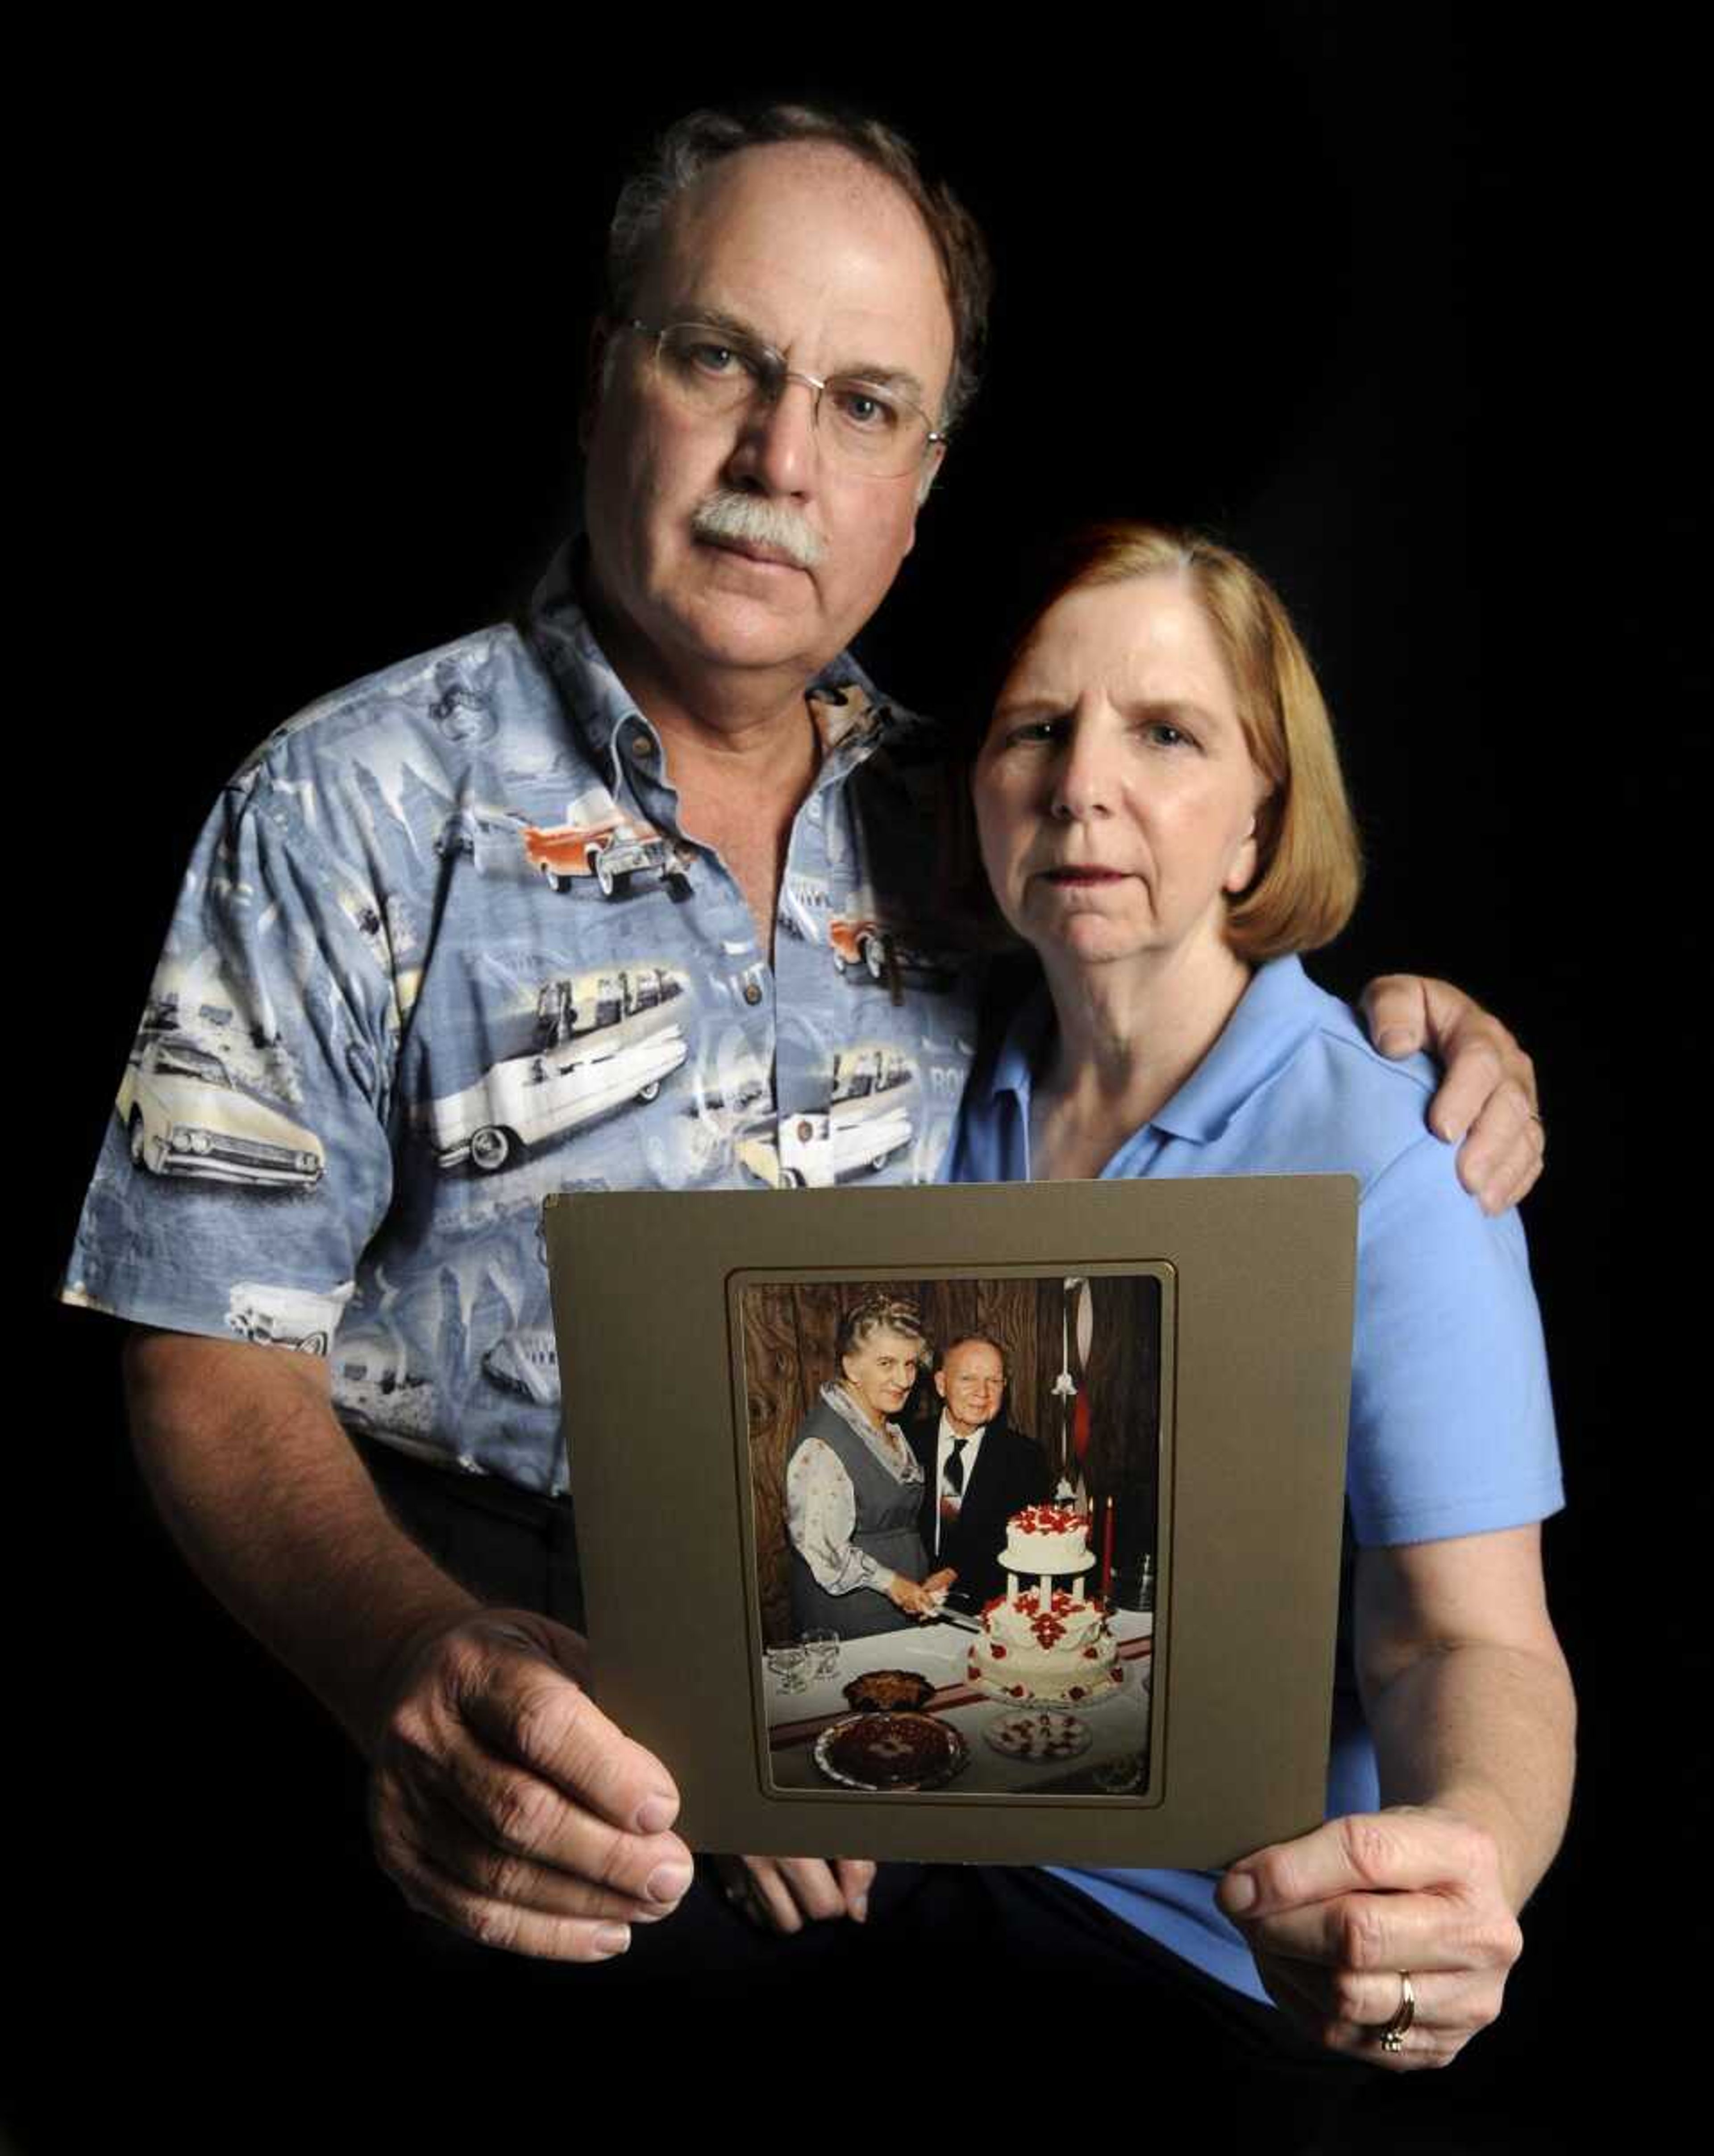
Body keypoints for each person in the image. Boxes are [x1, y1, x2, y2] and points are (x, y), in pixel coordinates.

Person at [62, 104, 1548, 1972]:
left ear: (919, 487)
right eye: (720, 359)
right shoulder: (345, 803)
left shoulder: (979, 818)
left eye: (863, 406)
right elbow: (199, 1351)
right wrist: (406, 1655)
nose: (780, 455)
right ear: (610, 379)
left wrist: (1425, 1037)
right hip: (438, 1635)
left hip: (865, 1704)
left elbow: (1187, 1011)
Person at [942, 521, 1574, 2074]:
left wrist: (1462, 1856)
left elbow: (1462, 1642)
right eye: (1038, 726)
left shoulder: (1397, 1142)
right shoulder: (939, 1084)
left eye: (1166, 733)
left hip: (1205, 1954)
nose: (1082, 782)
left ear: (1256, 822)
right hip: (917, 1868)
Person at [784, 1294, 953, 1637]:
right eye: (887, 1364)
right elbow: (824, 1552)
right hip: (853, 1616)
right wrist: (891, 1583)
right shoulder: (822, 1445)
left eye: (910, 1364)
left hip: (902, 1606)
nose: (905, 1380)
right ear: (851, 1367)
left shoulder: (884, 1423)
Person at [906, 1332, 1050, 1611]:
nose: (982, 1393)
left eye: (994, 1381)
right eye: (967, 1379)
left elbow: (1019, 1544)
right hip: (903, 1605)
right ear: (941, 1384)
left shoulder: (1025, 1457)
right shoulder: (905, 1443)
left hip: (985, 1611)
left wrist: (955, 1573)